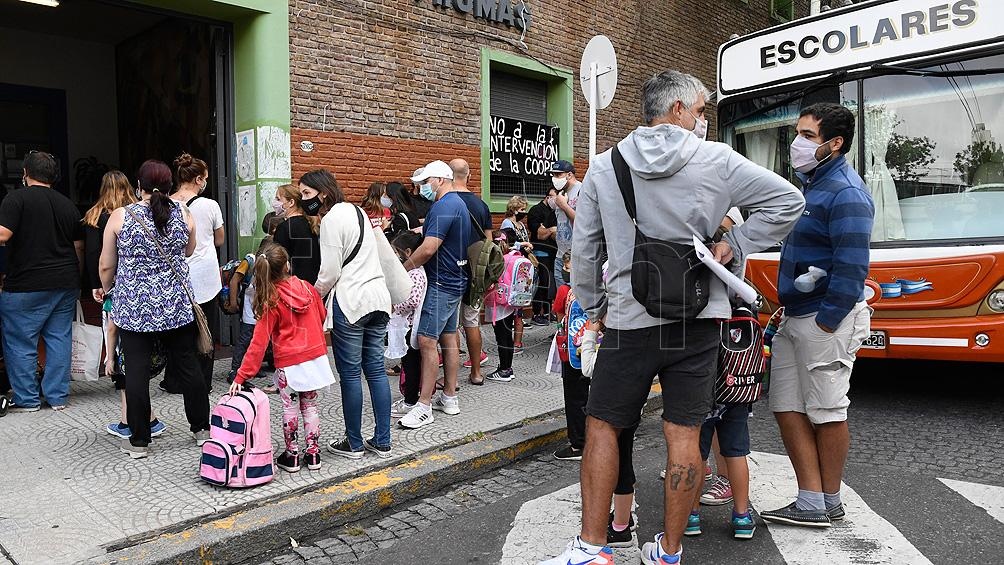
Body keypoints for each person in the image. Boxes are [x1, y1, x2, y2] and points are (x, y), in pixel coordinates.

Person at [543, 70, 805, 565]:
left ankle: (592, 548)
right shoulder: (718, 161)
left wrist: (595, 308)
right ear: (678, 110)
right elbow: (788, 202)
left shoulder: (605, 166)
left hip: (627, 321)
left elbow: (584, 249)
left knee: (601, 427)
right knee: (685, 435)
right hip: (699, 320)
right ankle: (669, 551)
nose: (704, 119)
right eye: (702, 109)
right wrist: (734, 245)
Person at [760, 102, 874, 529]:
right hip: (795, 316)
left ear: (835, 143)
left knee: (827, 410)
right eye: (799, 133)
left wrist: (828, 320)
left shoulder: (847, 192)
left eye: (808, 136)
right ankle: (811, 501)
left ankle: (831, 498)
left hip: (826, 319)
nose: (797, 142)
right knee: (786, 405)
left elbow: (852, 267)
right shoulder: (809, 186)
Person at [98, 159, 211, 459]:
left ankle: (139, 441)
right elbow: (188, 250)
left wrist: (110, 289)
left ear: (139, 186)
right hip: (176, 306)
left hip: (135, 308)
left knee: (135, 370)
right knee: (188, 365)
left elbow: (107, 264)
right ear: (171, 185)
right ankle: (202, 429)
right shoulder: (184, 213)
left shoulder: (121, 216)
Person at [302, 169, 393, 459]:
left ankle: (353, 443)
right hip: (379, 299)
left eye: (307, 194)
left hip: (351, 302)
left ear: (323, 194)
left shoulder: (329, 220)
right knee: (376, 371)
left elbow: (329, 272)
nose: (304, 200)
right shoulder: (358, 211)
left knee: (351, 375)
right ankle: (382, 440)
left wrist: (310, 296)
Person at [229, 243, 335, 472]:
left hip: (289, 362)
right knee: (310, 406)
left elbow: (258, 344)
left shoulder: (271, 299)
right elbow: (322, 315)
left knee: (290, 408)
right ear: (288, 265)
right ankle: (314, 455)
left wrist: (240, 376)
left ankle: (292, 455)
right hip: (314, 358)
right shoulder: (307, 288)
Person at [0, 151, 84, 412]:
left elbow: (3, 234)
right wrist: (76, 276)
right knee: (59, 337)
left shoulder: (14, 199)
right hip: (65, 281)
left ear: (25, 174)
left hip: (25, 283)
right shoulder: (67, 204)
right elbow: (78, 246)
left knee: (20, 341)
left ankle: (27, 399)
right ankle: (57, 397)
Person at [399, 161, 476, 428]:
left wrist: (404, 268)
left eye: (425, 182)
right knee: (449, 337)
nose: (421, 188)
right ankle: (450, 396)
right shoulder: (458, 204)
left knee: (426, 341)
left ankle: (423, 406)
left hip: (442, 283)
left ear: (440, 180)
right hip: (456, 280)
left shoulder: (443, 206)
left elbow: (429, 248)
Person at [578, 318, 639, 549]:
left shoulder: (613, 343)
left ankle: (620, 528)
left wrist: (590, 335)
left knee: (620, 467)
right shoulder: (632, 339)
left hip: (612, 410)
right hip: (630, 407)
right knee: (624, 460)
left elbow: (587, 368)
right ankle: (623, 518)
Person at [167, 153, 224, 393]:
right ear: (199, 179)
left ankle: (174, 379)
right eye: (206, 179)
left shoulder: (164, 203)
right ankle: (202, 382)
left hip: (175, 275)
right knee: (206, 329)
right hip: (205, 277)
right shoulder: (210, 205)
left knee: (177, 329)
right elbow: (219, 239)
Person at [449, 158, 493, 384]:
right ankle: (476, 372)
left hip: (450, 271)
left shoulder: (446, 202)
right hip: (475, 274)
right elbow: (489, 243)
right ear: (469, 175)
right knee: (472, 322)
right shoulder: (481, 205)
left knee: (451, 326)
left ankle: (452, 377)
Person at [685, 402, 755, 540]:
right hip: (735, 391)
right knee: (737, 452)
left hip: (701, 391)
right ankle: (742, 517)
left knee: (698, 452)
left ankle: (691, 516)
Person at [551, 251, 587, 462]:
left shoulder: (566, 290)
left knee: (574, 394)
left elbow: (559, 317)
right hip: (602, 346)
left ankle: (578, 444)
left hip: (575, 349)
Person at [388, 231, 427, 419]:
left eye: (397, 252)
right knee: (408, 363)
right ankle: (410, 397)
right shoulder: (414, 271)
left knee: (411, 364)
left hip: (410, 327)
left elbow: (412, 301)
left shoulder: (416, 273)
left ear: (408, 252)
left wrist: (396, 306)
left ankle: (411, 401)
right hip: (408, 326)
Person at [84, 171, 136, 305]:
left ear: (103, 189)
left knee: (111, 320)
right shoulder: (139, 214)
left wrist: (96, 284)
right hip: (136, 276)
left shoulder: (94, 216)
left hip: (109, 278)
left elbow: (93, 251)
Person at [483, 229, 522, 383]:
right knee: (507, 335)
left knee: (501, 337)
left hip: (499, 301)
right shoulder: (516, 256)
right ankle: (507, 368)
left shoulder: (500, 259)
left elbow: (491, 280)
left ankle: (504, 370)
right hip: (511, 301)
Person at [272, 183, 321, 284]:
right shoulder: (311, 224)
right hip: (312, 285)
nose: (275, 203)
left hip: (292, 287)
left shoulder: (284, 228)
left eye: (278, 199)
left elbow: (277, 262)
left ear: (291, 202)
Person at [500, 195, 532, 348]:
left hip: (523, 264)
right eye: (521, 209)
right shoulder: (507, 223)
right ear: (513, 209)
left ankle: (518, 341)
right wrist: (523, 244)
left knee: (521, 300)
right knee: (513, 301)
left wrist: (527, 245)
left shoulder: (521, 224)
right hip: (513, 264)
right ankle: (511, 340)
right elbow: (507, 243)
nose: (523, 212)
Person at [527, 188, 558, 325]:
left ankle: (548, 311)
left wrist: (549, 230)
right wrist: (550, 230)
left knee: (550, 284)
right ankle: (537, 313)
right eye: (552, 197)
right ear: (546, 197)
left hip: (553, 253)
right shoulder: (536, 211)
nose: (555, 200)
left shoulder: (555, 212)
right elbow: (539, 233)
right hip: (540, 253)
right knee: (541, 284)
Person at [550, 160, 579, 289]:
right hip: (560, 255)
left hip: (576, 257)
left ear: (569, 175)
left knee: (575, 300)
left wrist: (564, 206)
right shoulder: (560, 193)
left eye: (558, 175)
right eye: (553, 175)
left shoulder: (581, 191)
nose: (554, 178)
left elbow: (584, 223)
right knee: (561, 300)